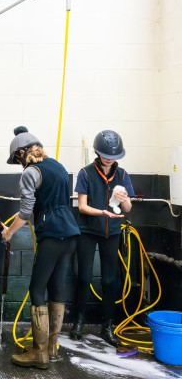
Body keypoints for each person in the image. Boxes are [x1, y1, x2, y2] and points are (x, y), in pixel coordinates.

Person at [2, 126, 80, 369]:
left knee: (37, 289)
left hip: (52, 236)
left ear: (21, 155)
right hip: (70, 234)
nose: (19, 165)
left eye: (17, 161)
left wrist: (9, 233)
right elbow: (48, 203)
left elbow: (27, 211)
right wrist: (23, 216)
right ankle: (51, 348)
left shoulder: (30, 173)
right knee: (57, 287)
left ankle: (39, 353)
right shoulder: (57, 165)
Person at [69, 130, 134, 347]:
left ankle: (108, 326)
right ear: (97, 152)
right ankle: (78, 322)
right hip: (88, 231)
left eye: (113, 156)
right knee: (84, 277)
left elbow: (128, 207)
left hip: (112, 232)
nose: (109, 158)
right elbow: (82, 206)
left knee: (109, 280)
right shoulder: (85, 173)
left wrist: (124, 200)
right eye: (105, 154)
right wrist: (102, 212)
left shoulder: (123, 175)